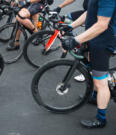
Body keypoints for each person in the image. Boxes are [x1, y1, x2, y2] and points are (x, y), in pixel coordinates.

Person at [61, 0, 116, 128]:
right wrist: (71, 26)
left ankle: (101, 119)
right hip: (93, 38)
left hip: (103, 42)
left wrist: (75, 40)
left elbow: (102, 25)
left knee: (100, 82)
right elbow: (89, 13)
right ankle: (94, 97)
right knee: (93, 71)